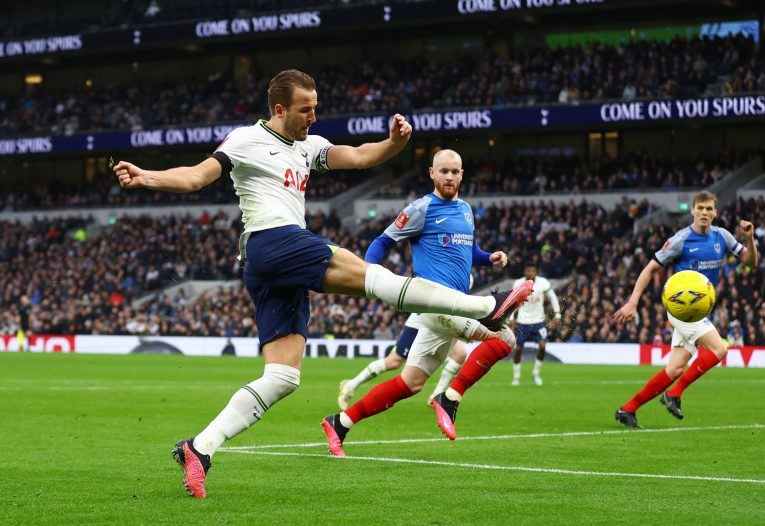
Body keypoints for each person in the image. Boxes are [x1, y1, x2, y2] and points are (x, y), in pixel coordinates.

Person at [113, 70, 524, 498]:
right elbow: (197, 176)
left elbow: (360, 156)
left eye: (315, 107)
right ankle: (485, 308)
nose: (313, 116)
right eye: (305, 109)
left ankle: (200, 448)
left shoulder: (309, 147)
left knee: (283, 377)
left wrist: (394, 144)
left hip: (274, 264)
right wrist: (148, 176)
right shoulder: (245, 140)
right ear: (279, 109)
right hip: (271, 240)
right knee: (372, 276)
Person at [321, 149, 534, 456]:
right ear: (431, 173)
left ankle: (340, 422)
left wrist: (489, 258)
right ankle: (450, 397)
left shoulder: (466, 210)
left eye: (455, 171)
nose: (449, 176)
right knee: (505, 338)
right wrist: (369, 275)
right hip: (436, 306)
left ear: (462, 174)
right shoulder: (421, 208)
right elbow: (382, 241)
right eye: (443, 171)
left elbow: (467, 248)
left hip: (454, 308)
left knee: (410, 383)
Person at [612, 191, 757, 428]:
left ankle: (627, 409)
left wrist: (749, 238)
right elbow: (649, 269)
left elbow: (751, 262)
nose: (704, 213)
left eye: (709, 209)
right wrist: (632, 302)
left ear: (715, 212)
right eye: (700, 208)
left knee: (675, 368)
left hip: (700, 311)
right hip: (682, 309)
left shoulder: (723, 236)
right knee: (720, 349)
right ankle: (673, 394)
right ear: (692, 211)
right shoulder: (680, 240)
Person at [337, 311, 468, 410]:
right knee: (393, 361)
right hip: (420, 323)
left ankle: (437, 397)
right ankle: (350, 385)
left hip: (443, 324)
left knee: (460, 354)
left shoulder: (468, 278)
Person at [511, 263, 561, 386]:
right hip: (522, 322)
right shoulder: (518, 283)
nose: (530, 273)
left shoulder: (543, 282)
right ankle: (516, 376)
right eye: (528, 270)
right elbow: (512, 301)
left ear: (536, 272)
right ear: (524, 271)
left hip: (539, 321)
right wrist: (512, 318)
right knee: (518, 349)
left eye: (532, 271)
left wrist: (558, 315)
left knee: (543, 346)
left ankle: (536, 373)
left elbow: (553, 298)